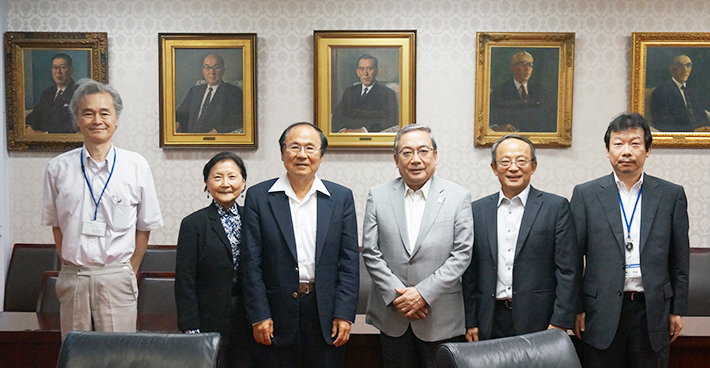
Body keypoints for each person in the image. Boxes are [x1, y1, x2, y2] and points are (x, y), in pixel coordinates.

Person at [41, 79, 164, 337]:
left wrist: (129, 269)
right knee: (77, 357)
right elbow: (56, 225)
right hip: (75, 277)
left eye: (104, 113)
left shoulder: (136, 166)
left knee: (118, 358)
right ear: (76, 119)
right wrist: (70, 265)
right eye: (88, 113)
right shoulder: (57, 168)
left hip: (117, 276)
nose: (97, 120)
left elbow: (144, 227)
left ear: (116, 118)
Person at [571, 113, 689, 368]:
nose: (626, 151)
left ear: (647, 150)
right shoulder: (586, 194)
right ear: (607, 150)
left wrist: (677, 309)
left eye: (635, 144)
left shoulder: (671, 195)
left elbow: (679, 258)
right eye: (618, 144)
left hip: (652, 310)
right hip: (599, 311)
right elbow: (572, 259)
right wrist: (576, 307)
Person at [241, 122, 359, 368]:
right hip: (275, 314)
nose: (302, 154)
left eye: (310, 148)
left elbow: (349, 262)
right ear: (283, 153)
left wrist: (344, 314)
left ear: (321, 155)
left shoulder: (340, 197)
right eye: (294, 147)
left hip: (325, 312)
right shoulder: (259, 197)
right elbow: (251, 262)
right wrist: (259, 314)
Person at [362, 124, 473, 368]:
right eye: (407, 152)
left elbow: (462, 254)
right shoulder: (378, 196)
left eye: (423, 151)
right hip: (393, 315)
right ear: (396, 159)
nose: (416, 160)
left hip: (440, 316)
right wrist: (398, 296)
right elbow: (371, 252)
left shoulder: (458, 196)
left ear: (435, 155)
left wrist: (423, 294)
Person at [461, 134, 578, 342]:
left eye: (521, 161)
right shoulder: (477, 211)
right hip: (490, 317)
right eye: (505, 161)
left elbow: (568, 270)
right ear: (494, 168)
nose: (513, 168)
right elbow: (470, 273)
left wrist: (560, 320)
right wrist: (471, 321)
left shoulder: (556, 207)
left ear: (533, 166)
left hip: (539, 319)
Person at [175, 152, 255, 368]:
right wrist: (190, 326)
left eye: (232, 177)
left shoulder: (254, 219)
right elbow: (185, 280)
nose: (225, 184)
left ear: (243, 182)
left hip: (249, 316)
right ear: (207, 183)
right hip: (208, 316)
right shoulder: (193, 224)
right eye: (217, 177)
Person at [176, 53, 244, 134]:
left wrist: (216, 131)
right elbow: (181, 113)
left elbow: (238, 118)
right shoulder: (195, 91)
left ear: (223, 70)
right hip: (190, 138)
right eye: (207, 67)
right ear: (203, 71)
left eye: (216, 67)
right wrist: (177, 124)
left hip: (213, 141)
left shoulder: (233, 92)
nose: (212, 72)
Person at [489, 51, 556, 132]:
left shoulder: (540, 91)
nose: (527, 69)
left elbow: (551, 119)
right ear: (512, 67)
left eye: (530, 65)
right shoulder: (499, 91)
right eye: (524, 64)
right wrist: (499, 128)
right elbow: (488, 121)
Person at [332, 54, 399, 133]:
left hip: (371, 136)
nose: (365, 74)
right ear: (358, 72)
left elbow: (390, 120)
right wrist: (343, 130)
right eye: (361, 69)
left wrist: (363, 130)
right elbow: (337, 116)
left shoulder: (388, 93)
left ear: (377, 72)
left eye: (369, 69)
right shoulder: (349, 91)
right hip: (346, 136)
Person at [650, 55, 710, 132]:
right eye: (680, 65)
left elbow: (701, 115)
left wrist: (706, 128)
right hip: (681, 137)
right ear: (671, 69)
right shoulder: (662, 91)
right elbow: (662, 124)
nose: (685, 70)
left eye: (688, 65)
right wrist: (693, 131)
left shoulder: (692, 90)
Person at [25, 53, 76, 134]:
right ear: (52, 70)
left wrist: (46, 134)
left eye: (63, 67)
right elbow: (36, 114)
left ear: (71, 71)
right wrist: (29, 126)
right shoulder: (48, 93)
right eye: (55, 67)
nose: (58, 72)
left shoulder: (77, 93)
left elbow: (73, 125)